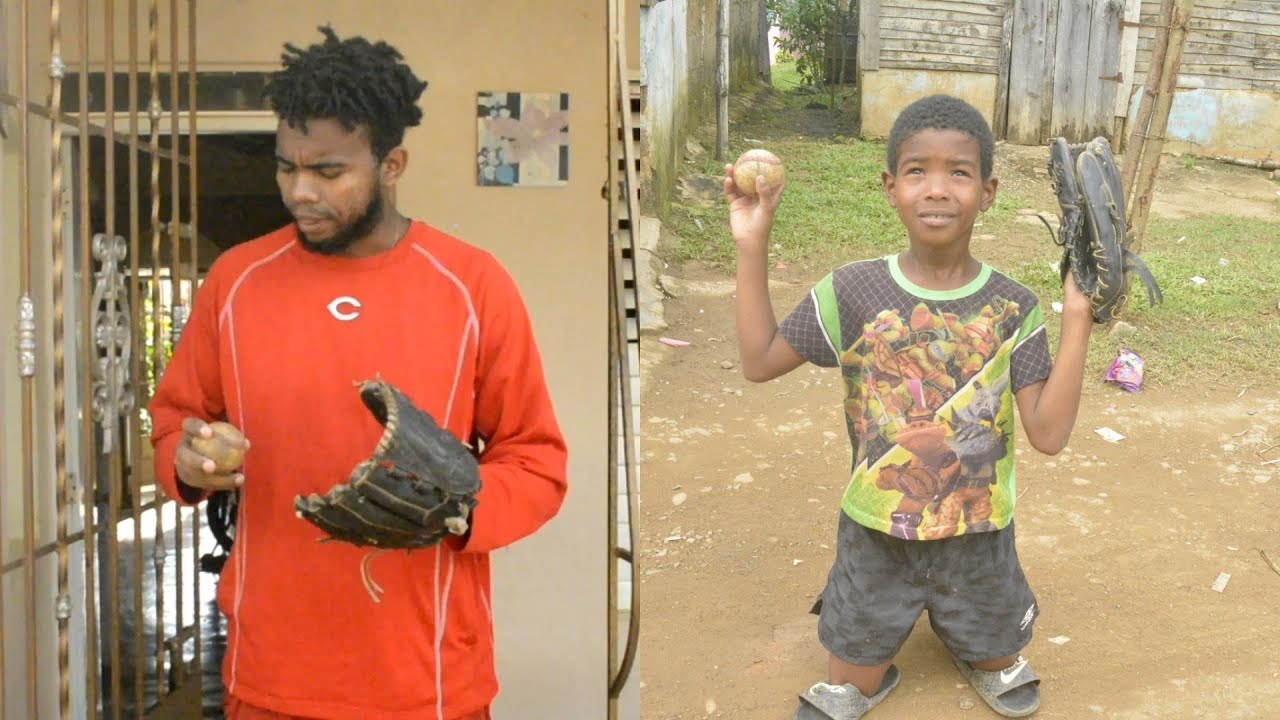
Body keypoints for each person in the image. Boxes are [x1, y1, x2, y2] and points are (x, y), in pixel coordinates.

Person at [148, 26, 568, 720]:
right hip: (270, 679)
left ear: (392, 164)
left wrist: (455, 503)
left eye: (329, 171)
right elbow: (174, 424)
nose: (300, 192)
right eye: (286, 167)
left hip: (428, 683)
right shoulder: (236, 282)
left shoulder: (472, 286)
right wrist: (189, 462)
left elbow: (537, 462)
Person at [724, 94, 1093, 719]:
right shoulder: (855, 289)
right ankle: (883, 638)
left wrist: (1079, 314)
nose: (938, 189)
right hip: (878, 530)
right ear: (891, 186)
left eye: (960, 172)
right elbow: (759, 361)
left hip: (978, 529)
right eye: (917, 171)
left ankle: (978, 639)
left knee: (998, 657)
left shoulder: (1013, 305)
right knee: (852, 680)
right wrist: (752, 241)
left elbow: (1049, 434)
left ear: (989, 189)